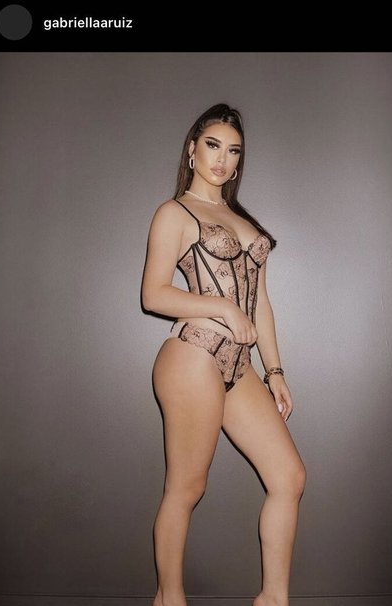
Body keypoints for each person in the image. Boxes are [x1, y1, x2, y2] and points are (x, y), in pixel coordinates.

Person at [141, 103, 306, 606]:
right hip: (194, 355)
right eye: (213, 146)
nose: (222, 159)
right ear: (192, 150)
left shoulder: (240, 219)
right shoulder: (175, 213)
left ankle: (273, 599)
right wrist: (221, 308)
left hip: (241, 367)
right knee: (187, 488)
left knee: (289, 478)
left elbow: (263, 303)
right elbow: (153, 294)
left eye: (233, 151)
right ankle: (170, 598)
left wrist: (275, 370)